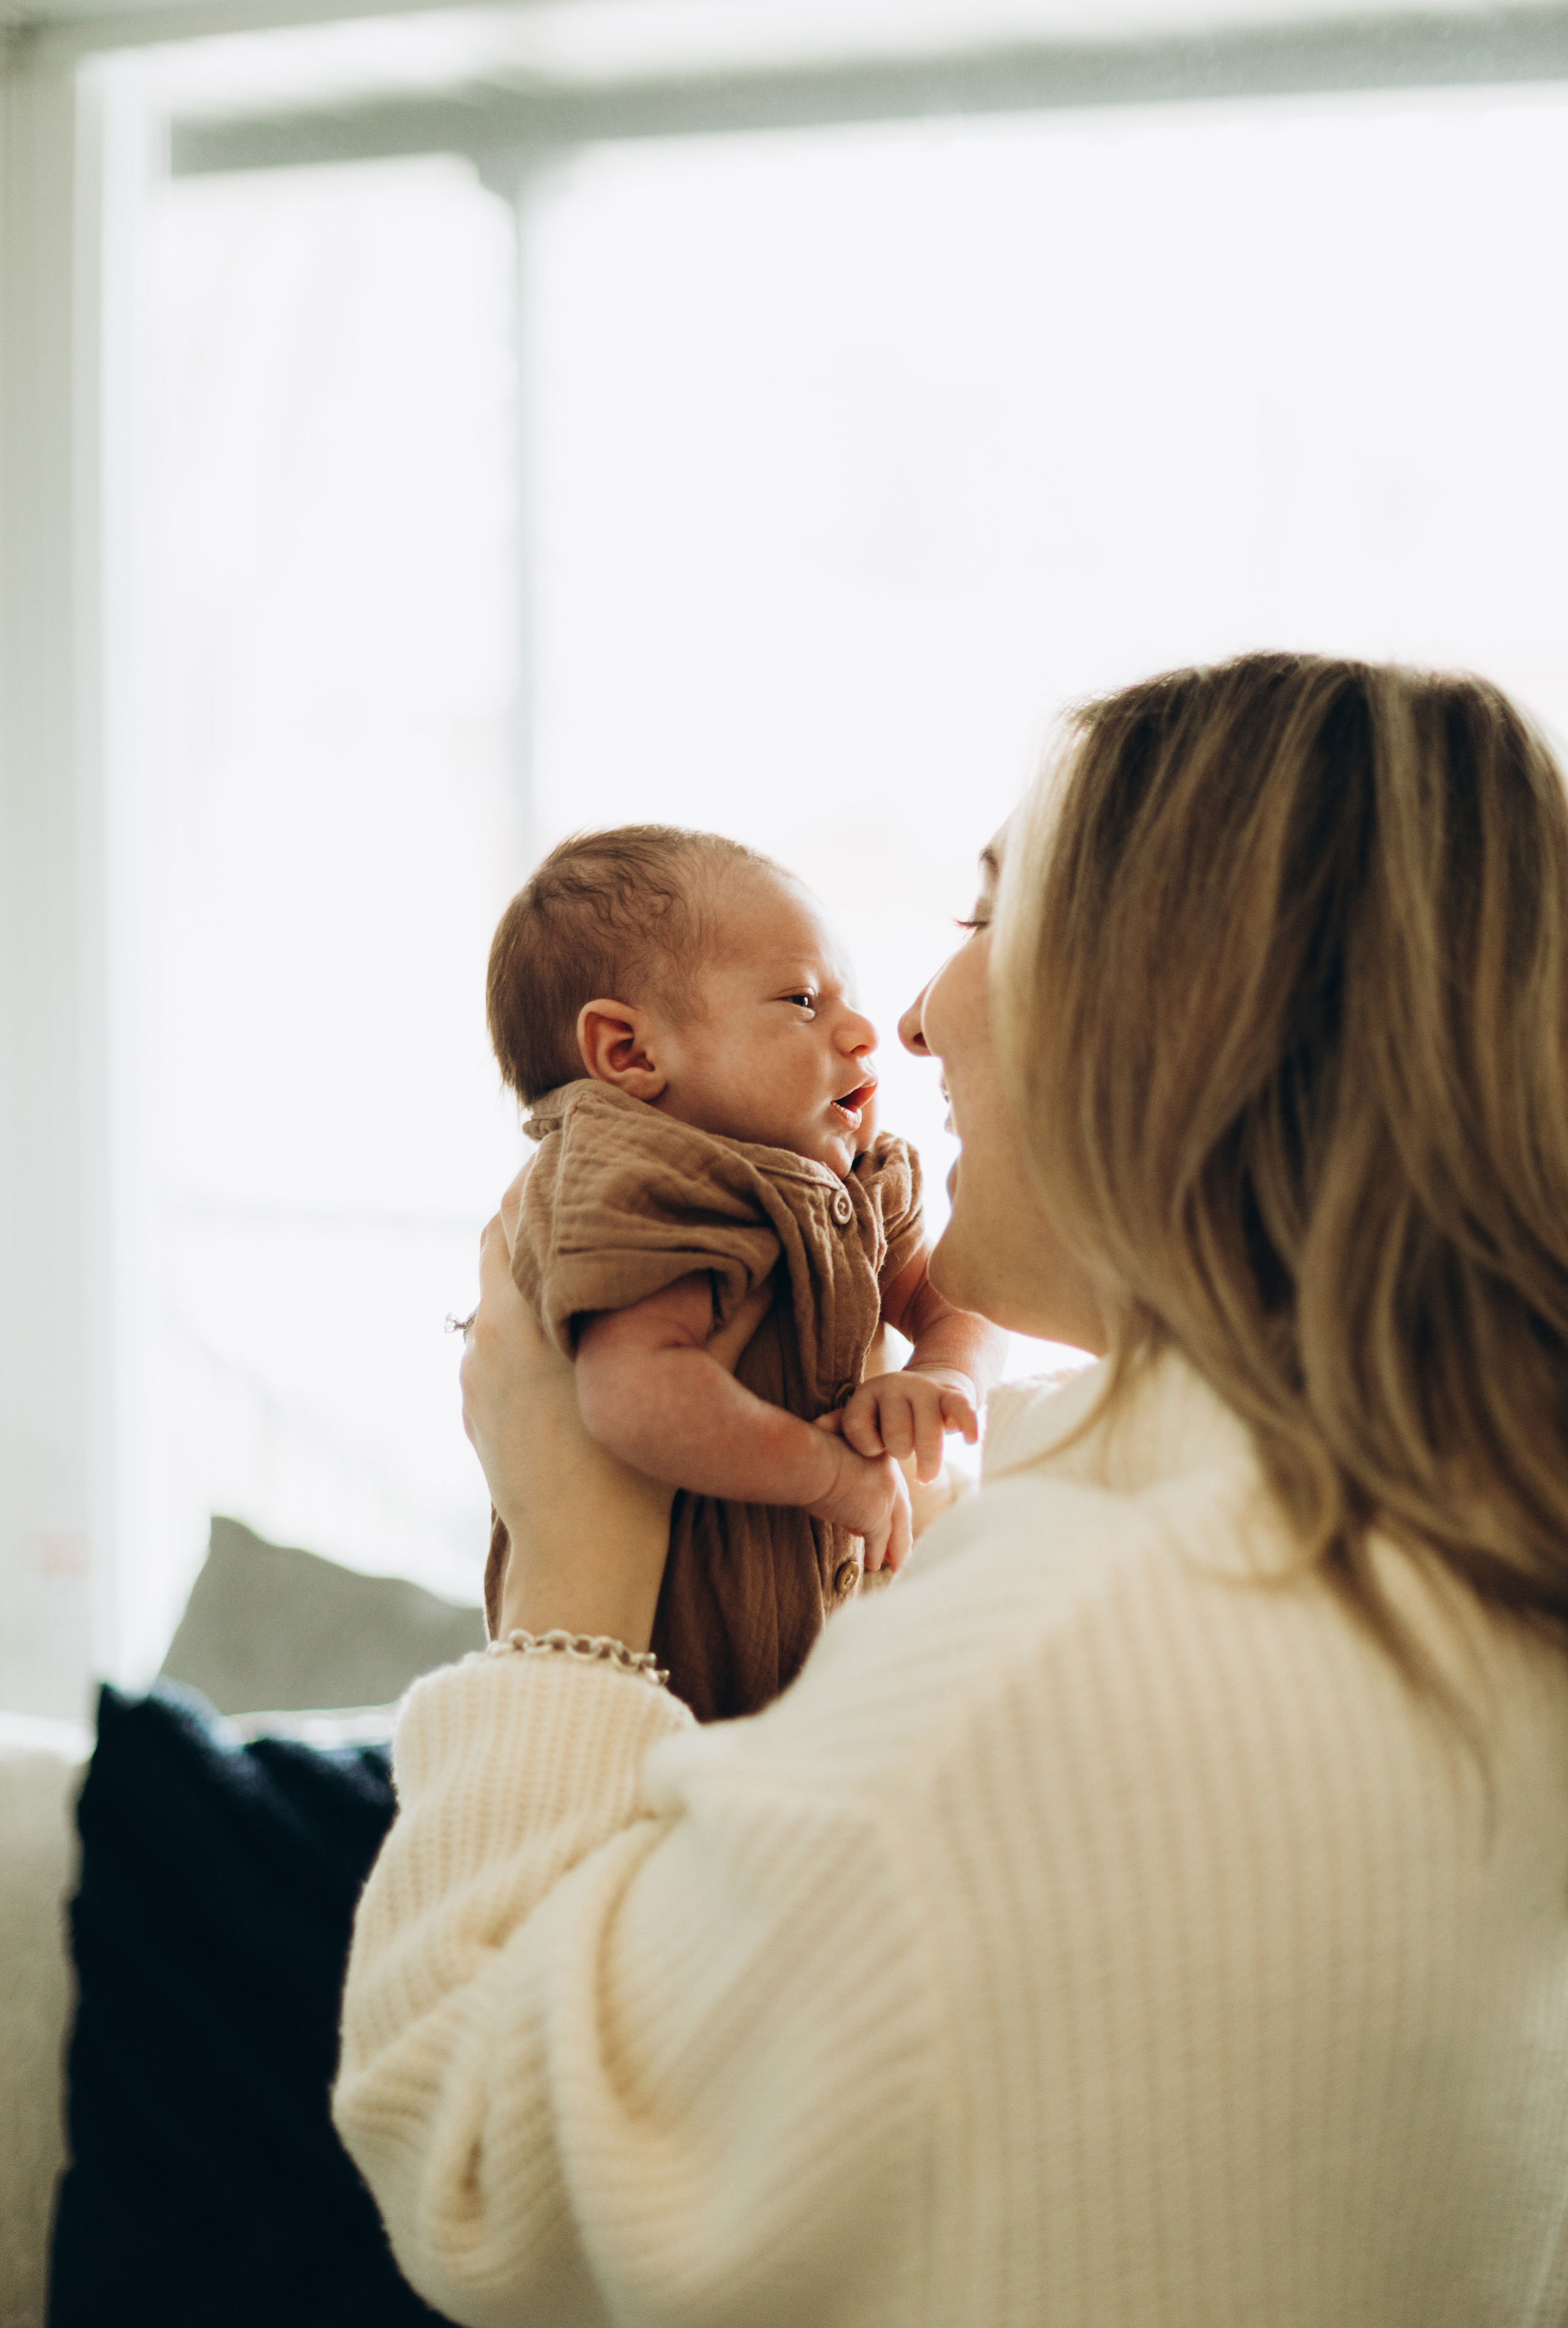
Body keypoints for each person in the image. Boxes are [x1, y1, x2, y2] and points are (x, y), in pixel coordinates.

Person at [334, 654, 1568, 2327]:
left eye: (989, 915)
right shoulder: (1468, 1542)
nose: (908, 1021)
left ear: (1175, 1007)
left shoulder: (1062, 1652)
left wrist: (570, 1570)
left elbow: (481, 2169)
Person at [481, 826, 1005, 1720]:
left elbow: (956, 1298)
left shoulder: (860, 1175)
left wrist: (942, 1373)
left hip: (825, 1682)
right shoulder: (636, 1180)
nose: (864, 1031)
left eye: (847, 998)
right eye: (802, 1001)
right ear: (630, 1054)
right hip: (654, 1688)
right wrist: (830, 1477)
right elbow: (634, 1393)